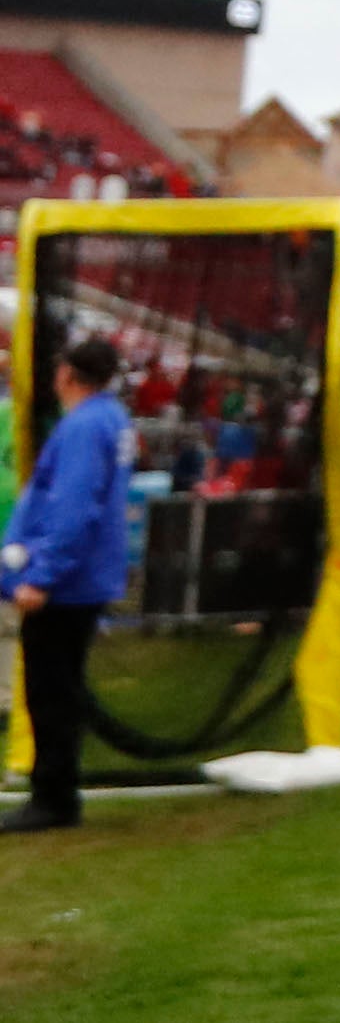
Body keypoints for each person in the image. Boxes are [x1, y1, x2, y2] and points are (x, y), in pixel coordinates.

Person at [2, 335, 133, 836]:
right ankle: (56, 790)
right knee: (62, 683)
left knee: (50, 687)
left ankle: (53, 797)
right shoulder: (110, 418)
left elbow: (74, 507)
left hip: (68, 581)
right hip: (86, 574)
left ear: (67, 375)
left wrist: (41, 575)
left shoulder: (83, 425)